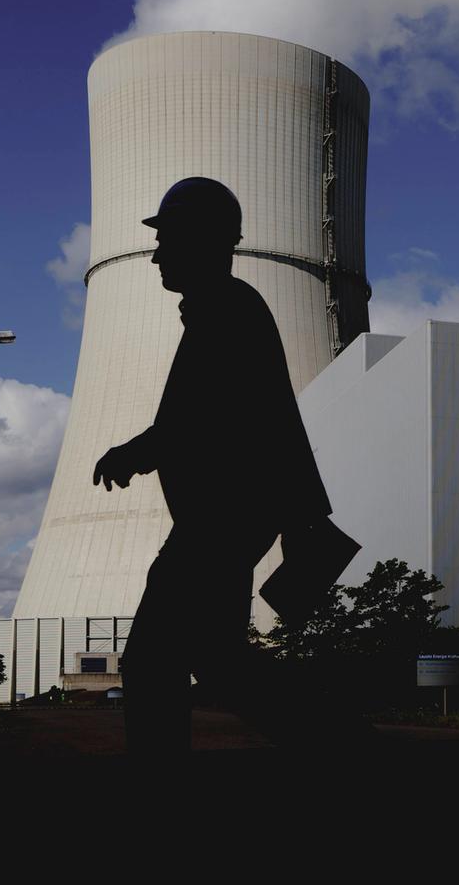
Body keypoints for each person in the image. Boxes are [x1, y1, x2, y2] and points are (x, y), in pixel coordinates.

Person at [92, 176, 333, 756]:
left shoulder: (227, 311)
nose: (155, 255)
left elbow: (200, 420)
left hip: (223, 519)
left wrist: (135, 453)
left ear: (202, 241)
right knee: (220, 660)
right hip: (233, 516)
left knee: (152, 656)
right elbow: (214, 418)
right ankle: (341, 745)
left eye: (166, 239)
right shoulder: (224, 309)